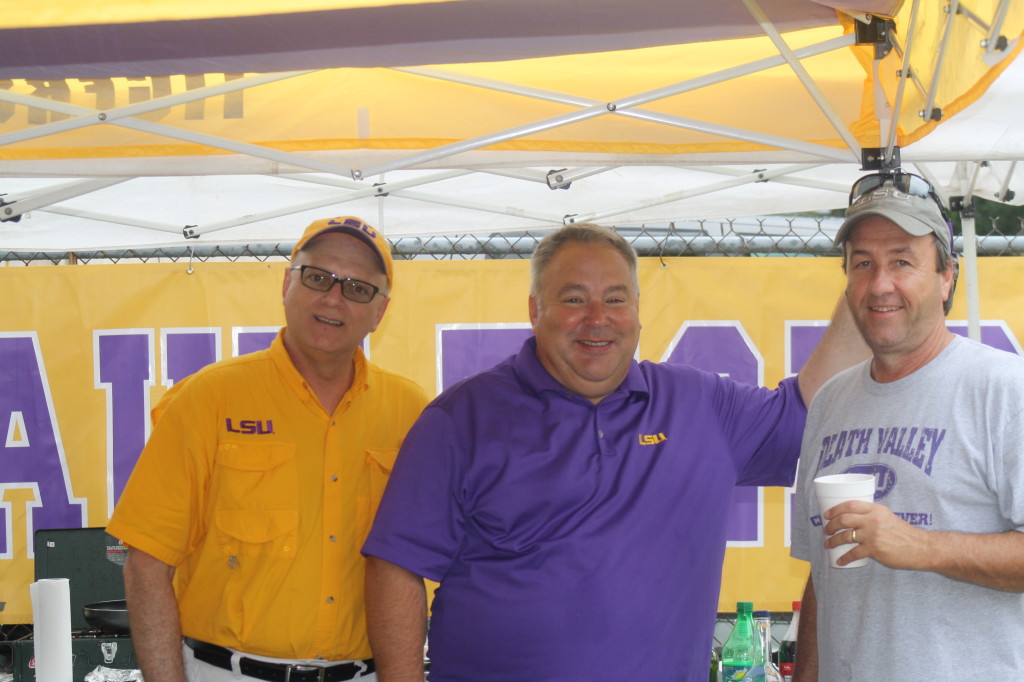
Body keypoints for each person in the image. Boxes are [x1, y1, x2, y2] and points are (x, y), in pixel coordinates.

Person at [361, 222, 867, 682]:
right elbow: (396, 565)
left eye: (616, 299)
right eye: (574, 299)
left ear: (639, 312)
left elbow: (813, 407)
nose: (597, 320)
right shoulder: (463, 418)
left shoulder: (702, 406)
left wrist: (867, 272)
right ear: (536, 310)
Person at [107, 216, 430, 682]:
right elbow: (146, 565)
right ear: (286, 282)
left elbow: (416, 567)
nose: (334, 298)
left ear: (381, 311)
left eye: (358, 288)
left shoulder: (411, 412)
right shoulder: (207, 400)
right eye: (318, 278)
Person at [790, 174, 1024, 681]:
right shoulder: (831, 402)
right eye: (863, 264)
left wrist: (921, 546)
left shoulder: (1005, 389)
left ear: (946, 277)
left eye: (901, 261)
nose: (880, 284)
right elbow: (822, 578)